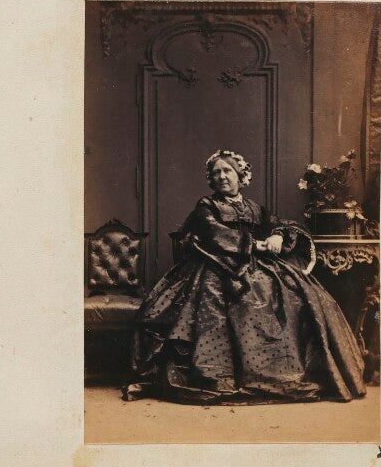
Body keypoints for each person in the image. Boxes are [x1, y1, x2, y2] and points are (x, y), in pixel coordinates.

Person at [126, 149, 367, 404]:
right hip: (216, 263)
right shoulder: (207, 205)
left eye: (227, 171)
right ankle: (223, 377)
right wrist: (255, 245)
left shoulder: (255, 208)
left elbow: (278, 224)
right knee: (217, 299)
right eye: (216, 173)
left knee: (297, 294)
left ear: (241, 176)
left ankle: (282, 373)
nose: (221, 176)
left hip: (257, 264)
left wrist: (277, 236)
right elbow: (212, 232)